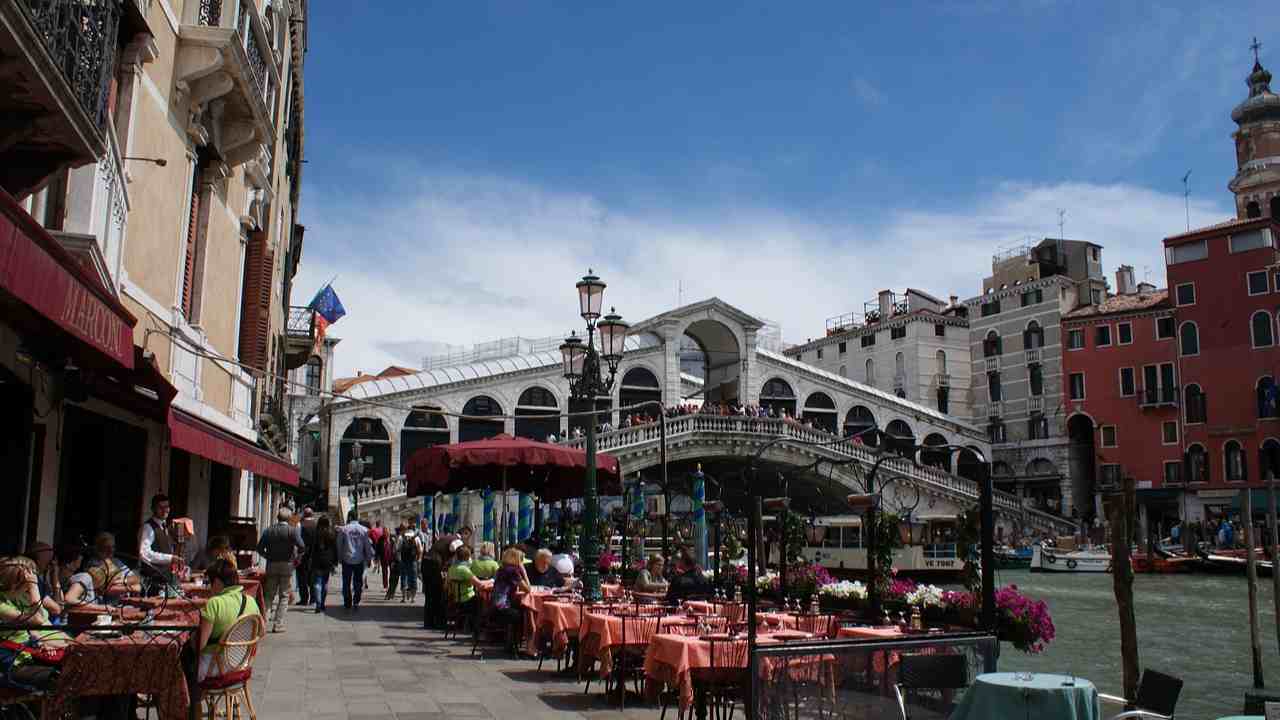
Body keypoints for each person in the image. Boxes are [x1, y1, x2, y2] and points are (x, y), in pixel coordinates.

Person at [0, 557, 70, 691]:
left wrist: (41, 643)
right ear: (18, 582)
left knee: (76, 667)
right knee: (59, 678)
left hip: (28, 655)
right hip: (12, 663)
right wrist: (34, 589)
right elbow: (37, 621)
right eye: (29, 580)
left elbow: (31, 630)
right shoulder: (2, 604)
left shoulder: (15, 597)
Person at [197, 558, 260, 681]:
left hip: (214, 668)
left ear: (217, 582)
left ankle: (192, 699)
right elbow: (261, 632)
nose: (208, 587)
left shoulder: (214, 603)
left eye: (209, 582)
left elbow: (200, 644)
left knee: (182, 662)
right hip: (241, 665)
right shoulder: (251, 600)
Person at [257, 507, 304, 633]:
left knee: (269, 595)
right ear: (289, 518)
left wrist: (268, 556)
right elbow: (302, 547)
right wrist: (296, 558)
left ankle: (263, 623)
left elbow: (260, 548)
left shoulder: (269, 531)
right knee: (284, 595)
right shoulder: (292, 531)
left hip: (272, 564)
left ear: (277, 517)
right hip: (287, 565)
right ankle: (278, 624)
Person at [488, 548, 531, 653]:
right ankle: (519, 644)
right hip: (502, 609)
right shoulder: (513, 571)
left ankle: (511, 642)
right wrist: (524, 571)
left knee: (520, 610)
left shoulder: (501, 569)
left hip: (493, 607)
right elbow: (527, 589)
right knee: (526, 614)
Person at [138, 493, 184, 590]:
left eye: (167, 507)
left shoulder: (166, 527)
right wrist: (170, 558)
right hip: (153, 583)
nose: (164, 510)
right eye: (160, 507)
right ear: (153, 509)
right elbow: (144, 553)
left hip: (167, 581)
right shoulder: (148, 527)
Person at [336, 511, 375, 611]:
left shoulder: (344, 529)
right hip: (359, 559)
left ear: (349, 517)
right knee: (358, 582)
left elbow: (339, 545)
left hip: (347, 559)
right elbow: (367, 546)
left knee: (346, 582)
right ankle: (356, 600)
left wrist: (339, 558)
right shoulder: (364, 530)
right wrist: (369, 559)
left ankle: (347, 602)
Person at [422, 535, 456, 630]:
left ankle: (428, 622)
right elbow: (453, 555)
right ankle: (440, 622)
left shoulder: (446, 539)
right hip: (434, 564)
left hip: (426, 562)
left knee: (429, 595)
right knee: (439, 594)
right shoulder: (457, 541)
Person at [23, 542, 62, 619]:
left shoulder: (38, 579)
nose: (52, 563)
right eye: (49, 560)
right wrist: (55, 580)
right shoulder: (31, 578)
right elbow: (56, 609)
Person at [309, 516, 338, 613]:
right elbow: (335, 549)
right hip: (328, 561)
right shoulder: (332, 534)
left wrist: (310, 559)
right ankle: (322, 604)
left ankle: (318, 603)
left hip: (317, 560)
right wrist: (335, 562)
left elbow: (312, 549)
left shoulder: (315, 533)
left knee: (317, 583)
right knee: (325, 583)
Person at [446, 545, 483, 620]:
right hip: (467, 600)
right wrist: (490, 581)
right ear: (467, 557)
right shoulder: (465, 570)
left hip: (455, 600)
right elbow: (479, 584)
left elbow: (446, 585)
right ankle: (476, 625)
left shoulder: (451, 569)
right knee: (482, 601)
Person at [296, 506, 317, 607]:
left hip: (303, 555)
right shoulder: (317, 525)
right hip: (314, 555)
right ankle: (313, 599)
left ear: (304, 514)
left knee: (302, 578)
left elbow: (298, 541)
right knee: (313, 578)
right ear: (312, 514)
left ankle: (304, 599)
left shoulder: (300, 525)